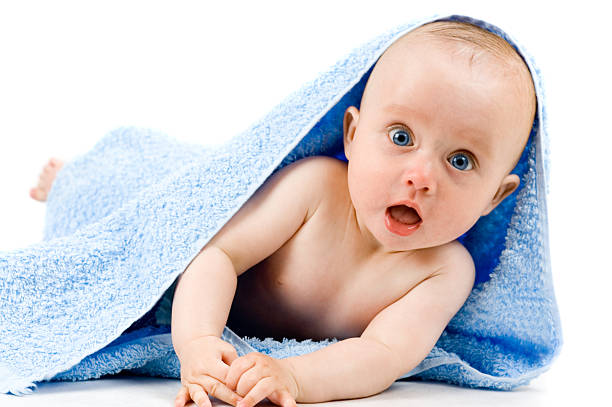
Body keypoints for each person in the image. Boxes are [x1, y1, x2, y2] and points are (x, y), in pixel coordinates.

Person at [29, 20, 536, 407]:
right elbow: (217, 253)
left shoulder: (445, 271)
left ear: (496, 196)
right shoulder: (315, 188)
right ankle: (76, 178)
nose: (421, 175)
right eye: (401, 137)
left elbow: (383, 355)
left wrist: (295, 376)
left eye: (461, 161)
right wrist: (199, 341)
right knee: (130, 194)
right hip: (187, 223)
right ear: (353, 136)